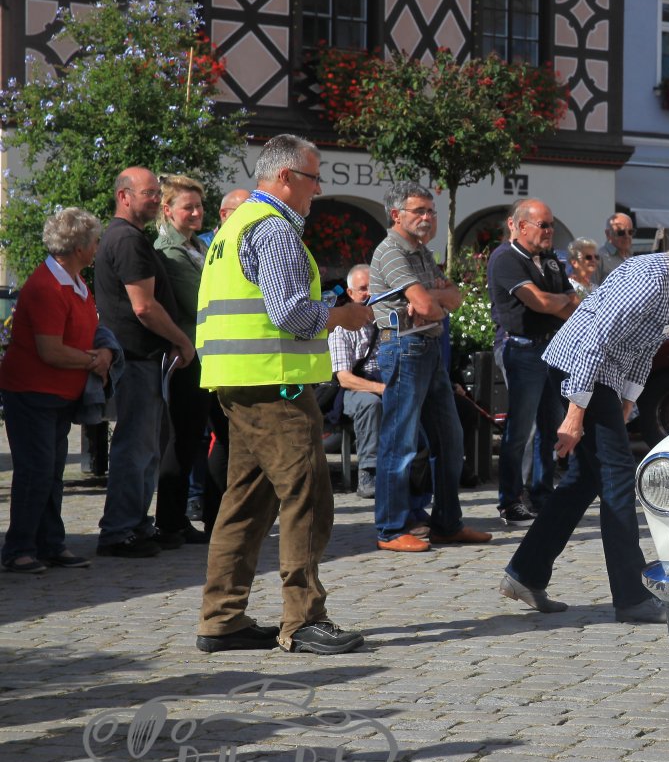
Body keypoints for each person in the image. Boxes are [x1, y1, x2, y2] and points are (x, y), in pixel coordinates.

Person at [499, 215, 669, 624]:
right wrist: (575, 413)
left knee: (585, 480)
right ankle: (631, 597)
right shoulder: (651, 276)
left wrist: (628, 399)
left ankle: (525, 573)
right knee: (617, 478)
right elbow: (596, 339)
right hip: (581, 369)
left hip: (602, 376)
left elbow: (645, 347)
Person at [194, 134, 373, 654]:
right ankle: (303, 620)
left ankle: (222, 619)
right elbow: (290, 312)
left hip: (239, 380)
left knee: (245, 501)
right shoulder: (273, 228)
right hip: (274, 384)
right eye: (314, 178)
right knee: (307, 495)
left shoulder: (233, 227)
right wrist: (342, 315)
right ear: (287, 177)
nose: (319, 189)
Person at [368, 183, 492, 552]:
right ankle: (391, 528)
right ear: (396, 215)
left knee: (450, 440)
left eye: (431, 211)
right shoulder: (391, 251)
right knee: (400, 442)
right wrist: (432, 299)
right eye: (419, 211)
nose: (427, 218)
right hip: (404, 348)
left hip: (430, 348)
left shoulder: (420, 251)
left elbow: (454, 298)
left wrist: (433, 297)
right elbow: (427, 307)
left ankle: (447, 524)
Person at [0, 209, 111, 573]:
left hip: (57, 394)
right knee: (36, 471)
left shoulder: (75, 282)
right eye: (94, 241)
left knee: (50, 472)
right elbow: (50, 351)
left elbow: (89, 330)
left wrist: (104, 353)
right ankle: (19, 548)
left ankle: (49, 543)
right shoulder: (47, 287)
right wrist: (93, 361)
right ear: (79, 247)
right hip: (32, 392)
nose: (97, 247)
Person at [94, 167, 196, 558]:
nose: (155, 199)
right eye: (148, 193)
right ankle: (119, 531)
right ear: (124, 196)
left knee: (148, 448)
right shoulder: (126, 239)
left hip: (145, 359)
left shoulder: (132, 237)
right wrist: (181, 340)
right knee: (135, 447)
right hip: (135, 357)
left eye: (157, 193)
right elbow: (144, 307)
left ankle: (137, 525)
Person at [489, 199, 579, 528]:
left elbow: (572, 303)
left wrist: (561, 302)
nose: (550, 230)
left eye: (551, 225)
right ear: (520, 225)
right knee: (520, 431)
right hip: (521, 348)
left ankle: (542, 494)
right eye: (544, 225)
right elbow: (539, 302)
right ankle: (510, 501)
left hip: (551, 349)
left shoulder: (550, 259)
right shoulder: (505, 258)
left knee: (549, 427)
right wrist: (560, 301)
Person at [152, 175, 212, 543]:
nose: (195, 212)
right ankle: (170, 520)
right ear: (168, 209)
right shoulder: (169, 251)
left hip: (205, 352)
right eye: (187, 207)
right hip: (188, 354)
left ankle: (179, 518)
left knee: (193, 439)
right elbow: (200, 300)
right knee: (182, 438)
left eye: (198, 206)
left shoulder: (197, 246)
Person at [328, 264, 383, 499]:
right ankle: (368, 473)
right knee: (370, 404)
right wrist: (381, 389)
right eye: (363, 289)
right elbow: (344, 378)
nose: (370, 293)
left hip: (385, 382)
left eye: (374, 287)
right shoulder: (342, 328)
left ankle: (420, 469)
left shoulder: (387, 320)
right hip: (354, 389)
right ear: (350, 293)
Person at [595, 212, 635, 284]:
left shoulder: (631, 256)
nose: (627, 236)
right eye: (621, 233)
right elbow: (591, 287)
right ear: (608, 234)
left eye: (630, 232)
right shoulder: (598, 257)